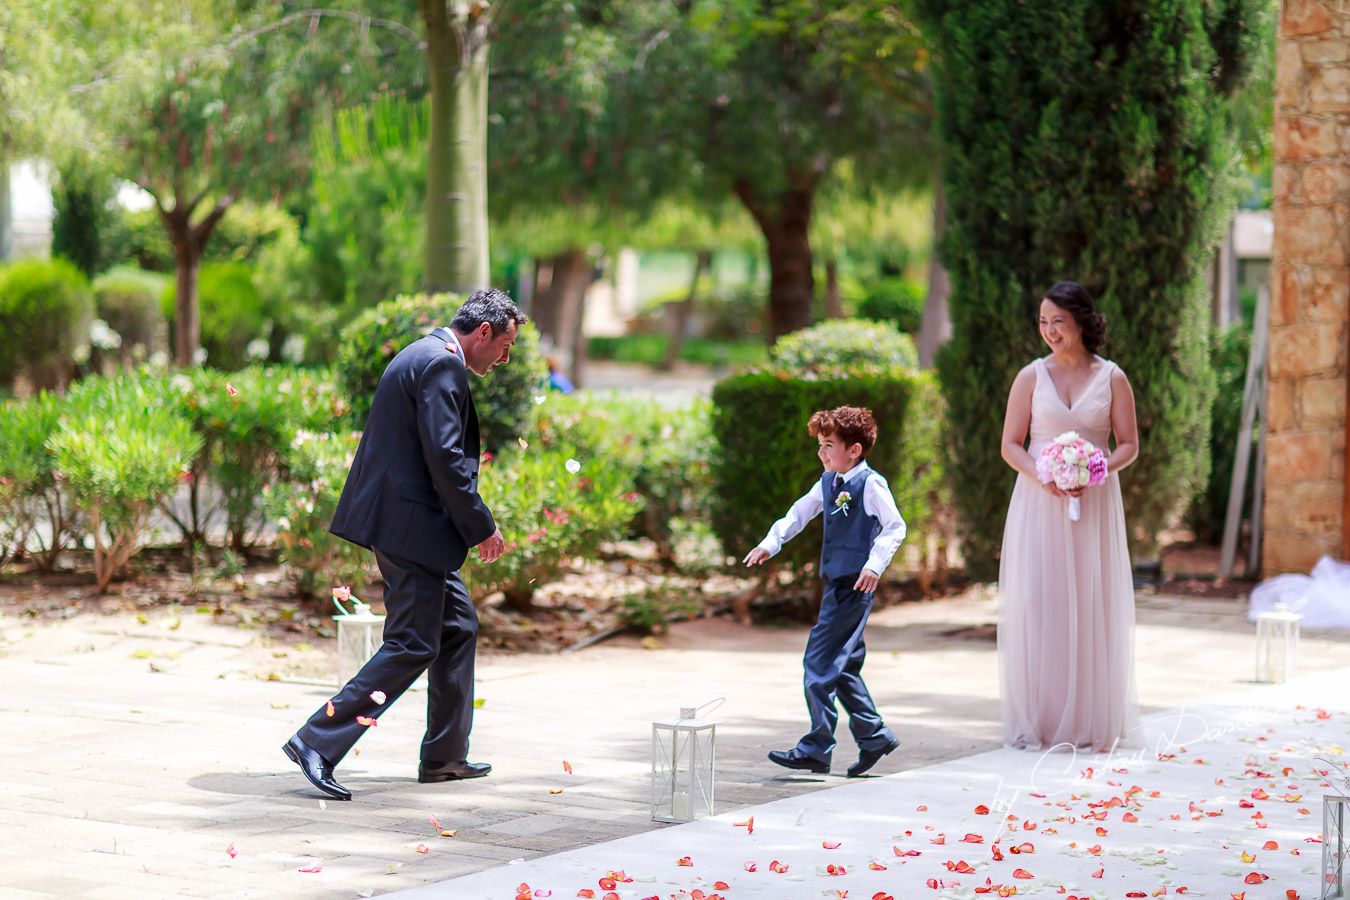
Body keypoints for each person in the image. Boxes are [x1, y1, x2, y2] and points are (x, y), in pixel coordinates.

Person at [282, 288, 524, 800]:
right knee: (412, 642)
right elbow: (445, 458)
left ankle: (444, 757)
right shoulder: (441, 365)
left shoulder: (422, 353)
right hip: (411, 528)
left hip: (407, 526)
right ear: (483, 332)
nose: (505, 359)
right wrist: (481, 525)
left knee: (457, 626)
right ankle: (316, 741)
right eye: (504, 346)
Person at [997, 280, 1140, 752]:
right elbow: (1010, 446)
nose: (1050, 330)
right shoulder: (1030, 377)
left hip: (1094, 505)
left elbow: (1129, 445)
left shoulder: (1113, 377)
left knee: (1091, 601)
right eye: (1043, 322)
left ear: (1081, 321)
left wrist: (1097, 470)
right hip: (1039, 504)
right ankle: (1042, 719)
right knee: (1042, 602)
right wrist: (1045, 474)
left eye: (1058, 320)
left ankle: (1089, 721)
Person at [744, 406, 906, 777]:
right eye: (820, 445)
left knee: (818, 663)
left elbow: (895, 527)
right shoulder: (829, 482)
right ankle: (873, 734)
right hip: (836, 583)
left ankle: (817, 746)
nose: (822, 453)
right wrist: (772, 542)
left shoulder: (870, 484)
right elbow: (798, 513)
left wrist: (874, 564)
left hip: (854, 586)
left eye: (829, 445)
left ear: (855, 450)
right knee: (844, 668)